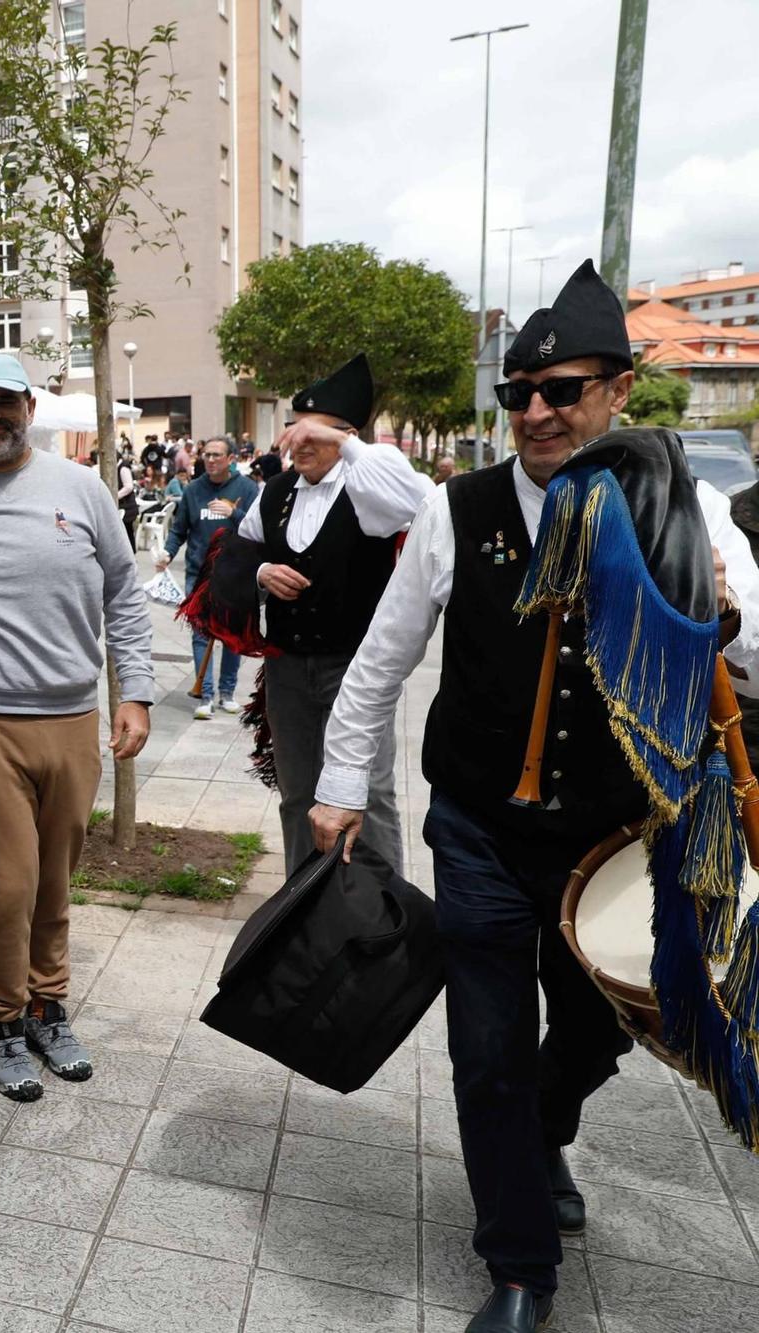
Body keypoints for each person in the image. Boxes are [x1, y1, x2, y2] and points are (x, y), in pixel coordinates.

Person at [310, 259, 759, 1333]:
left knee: (604, 1029)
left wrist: (725, 623)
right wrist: (336, 783)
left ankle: (539, 1131)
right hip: (477, 827)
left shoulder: (684, 504)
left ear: (616, 390)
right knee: (485, 1048)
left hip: (615, 839)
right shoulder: (452, 510)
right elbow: (378, 661)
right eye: (519, 393)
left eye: (563, 389)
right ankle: (517, 1266)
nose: (538, 411)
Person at [0, 353, 153, 1102]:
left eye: (4, 403)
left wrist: (135, 691)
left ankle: (50, 1005)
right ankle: (4, 1022)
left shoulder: (81, 489)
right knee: (2, 888)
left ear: (29, 407)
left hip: (74, 721)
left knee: (54, 881)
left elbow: (125, 592)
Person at [229, 354, 432, 877]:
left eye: (312, 441)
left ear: (346, 439)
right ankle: (303, 906)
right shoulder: (274, 493)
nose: (298, 450)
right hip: (288, 667)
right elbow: (231, 552)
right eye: (294, 438)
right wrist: (261, 573)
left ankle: (384, 905)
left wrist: (345, 443)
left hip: (356, 666)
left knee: (370, 791)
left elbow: (422, 503)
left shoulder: (369, 489)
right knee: (297, 792)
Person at [157, 436, 259, 719]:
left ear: (231, 459)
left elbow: (258, 529)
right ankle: (205, 694)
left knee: (232, 636)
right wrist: (167, 553)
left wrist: (234, 512)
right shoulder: (193, 491)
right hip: (200, 575)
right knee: (201, 635)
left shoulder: (247, 489)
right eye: (206, 455)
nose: (210, 460)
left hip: (236, 574)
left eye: (217, 455)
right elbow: (179, 529)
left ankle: (227, 692)